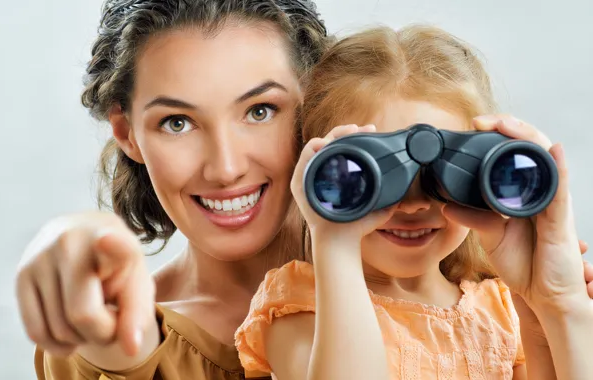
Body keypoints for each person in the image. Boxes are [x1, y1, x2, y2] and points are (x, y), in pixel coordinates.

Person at [234, 25, 593, 379]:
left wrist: (558, 305)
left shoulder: (501, 309)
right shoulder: (299, 304)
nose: (413, 204)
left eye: (441, 178)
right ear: (317, 176)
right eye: (375, 178)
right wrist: (334, 244)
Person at [16, 0, 330, 379]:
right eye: (177, 122)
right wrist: (75, 244)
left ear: (313, 105)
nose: (226, 169)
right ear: (126, 133)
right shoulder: (110, 343)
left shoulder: (404, 259)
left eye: (259, 111)